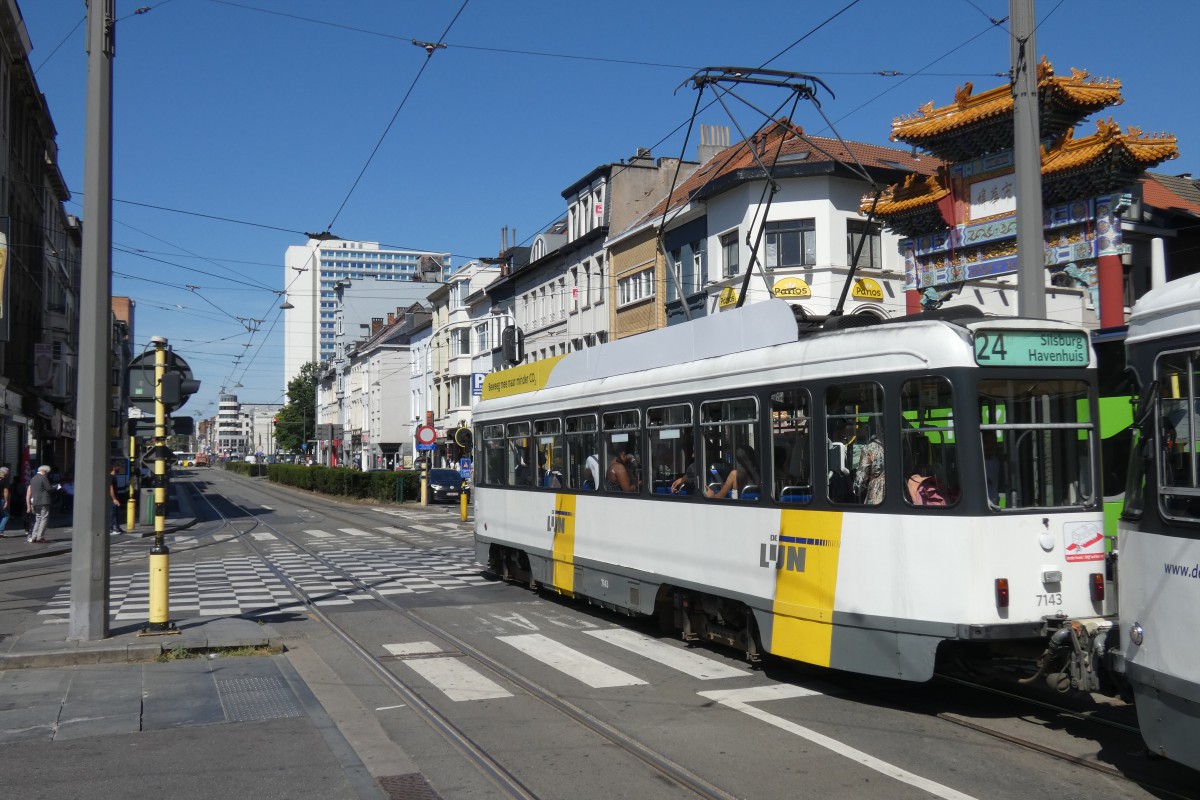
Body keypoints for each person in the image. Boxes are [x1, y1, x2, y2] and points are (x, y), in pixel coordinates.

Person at [853, 430, 884, 505]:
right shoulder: (897, 445)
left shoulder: (870, 448)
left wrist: (856, 489)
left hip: (877, 495)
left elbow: (861, 479)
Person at [26, 465, 53, 543]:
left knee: (38, 519)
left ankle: (34, 536)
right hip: (44, 501)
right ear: (45, 471)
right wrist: (54, 487)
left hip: (35, 501)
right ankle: (40, 537)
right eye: (47, 472)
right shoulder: (43, 478)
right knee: (44, 519)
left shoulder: (33, 478)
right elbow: (49, 488)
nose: (47, 474)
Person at [109, 463, 125, 534]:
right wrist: (114, 499)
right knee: (113, 513)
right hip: (113, 498)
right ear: (114, 468)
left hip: (115, 498)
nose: (119, 468)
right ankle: (112, 528)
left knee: (116, 513)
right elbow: (111, 488)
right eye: (117, 467)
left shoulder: (114, 477)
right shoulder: (111, 477)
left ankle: (116, 527)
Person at [0, 466, 10, 537]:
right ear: (6, 473)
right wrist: (6, 501)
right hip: (2, 499)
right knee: (6, 515)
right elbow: (5, 491)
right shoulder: (5, 480)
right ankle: (0, 531)